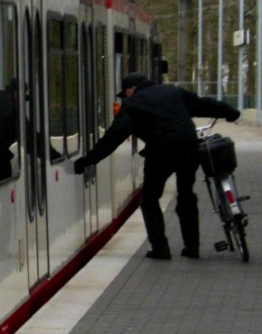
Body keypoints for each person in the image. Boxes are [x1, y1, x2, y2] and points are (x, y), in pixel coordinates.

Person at [72, 73, 240, 260]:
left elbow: (113, 137)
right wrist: (230, 112)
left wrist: (88, 161)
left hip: (160, 155)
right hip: (189, 151)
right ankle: (192, 247)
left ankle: (160, 248)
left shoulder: (133, 104)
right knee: (186, 196)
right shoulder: (174, 92)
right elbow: (205, 104)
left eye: (126, 93)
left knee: (150, 200)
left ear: (132, 89)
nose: (126, 97)